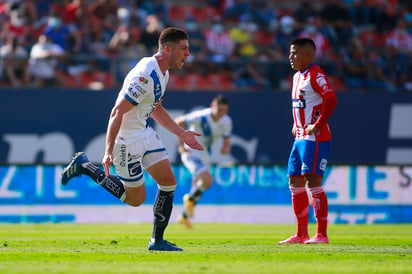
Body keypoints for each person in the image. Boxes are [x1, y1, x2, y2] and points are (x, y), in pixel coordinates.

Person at [61, 27, 203, 251]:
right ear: (167, 49)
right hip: (125, 140)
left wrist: (181, 133)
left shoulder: (163, 73)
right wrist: (108, 151)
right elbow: (117, 111)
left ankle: (157, 241)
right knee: (135, 199)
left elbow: (155, 107)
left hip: (144, 133)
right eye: (184, 49)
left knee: (168, 181)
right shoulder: (146, 74)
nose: (188, 53)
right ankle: (86, 167)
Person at [279, 38, 337, 244]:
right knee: (294, 181)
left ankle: (321, 234)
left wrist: (319, 124)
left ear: (307, 55)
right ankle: (301, 233)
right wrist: (296, 123)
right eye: (290, 53)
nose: (290, 57)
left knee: (313, 181)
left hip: (315, 137)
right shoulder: (297, 77)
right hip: (301, 136)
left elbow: (331, 99)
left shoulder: (316, 75)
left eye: (294, 53)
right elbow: (302, 104)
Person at [176, 95, 232, 229]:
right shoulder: (201, 117)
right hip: (192, 153)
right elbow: (178, 121)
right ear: (213, 106)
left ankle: (184, 216)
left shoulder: (226, 121)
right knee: (207, 180)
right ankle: (189, 199)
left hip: (205, 155)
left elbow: (226, 140)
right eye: (219, 109)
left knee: (200, 186)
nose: (221, 113)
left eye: (224, 110)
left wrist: (226, 147)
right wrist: (181, 145)